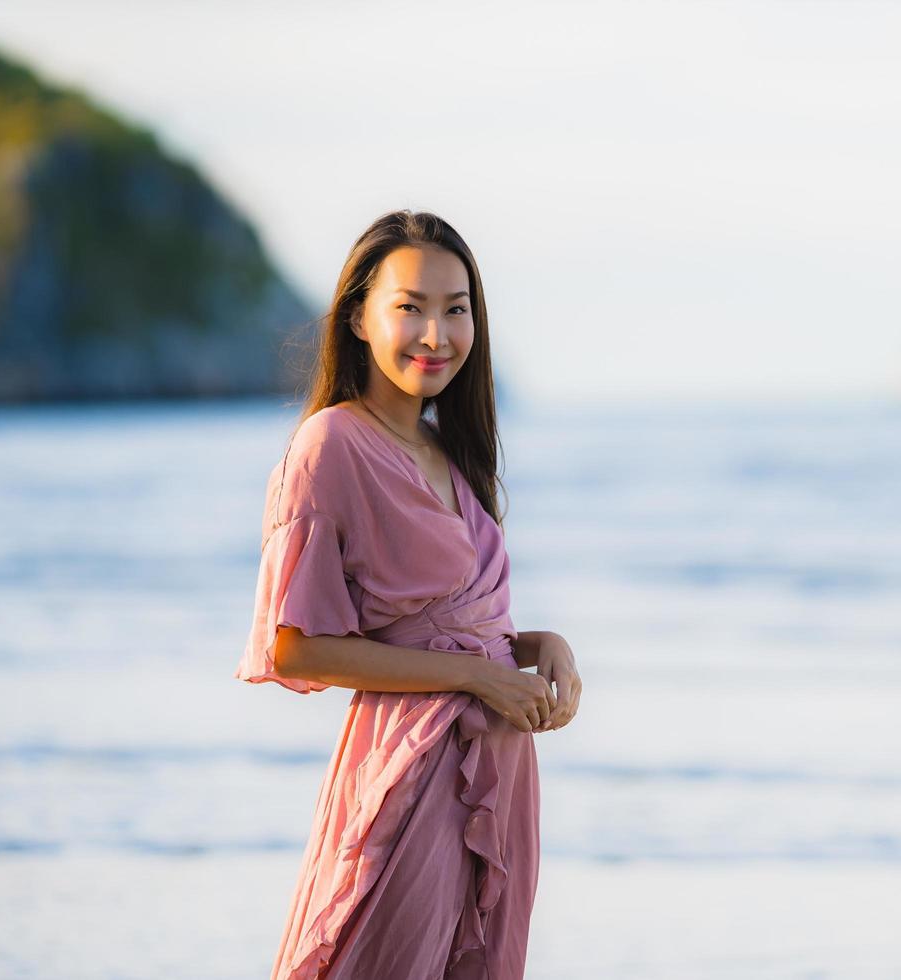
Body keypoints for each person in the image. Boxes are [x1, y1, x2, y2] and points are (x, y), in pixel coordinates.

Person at [234, 209, 582, 979]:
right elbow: (294, 644)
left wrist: (537, 646)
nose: (436, 334)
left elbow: (443, 623)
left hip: (496, 773)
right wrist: (473, 675)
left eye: (456, 310)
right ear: (358, 316)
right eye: (410, 307)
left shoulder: (445, 451)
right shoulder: (330, 447)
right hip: (415, 773)